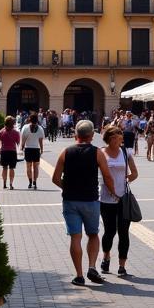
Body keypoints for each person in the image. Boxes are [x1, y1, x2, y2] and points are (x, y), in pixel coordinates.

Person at [51, 120, 116, 286]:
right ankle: (92, 266)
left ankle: (79, 276)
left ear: (75, 135)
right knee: (93, 234)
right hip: (91, 200)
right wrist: (113, 192)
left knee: (75, 237)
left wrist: (67, 188)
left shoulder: (65, 152)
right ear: (92, 136)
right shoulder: (97, 153)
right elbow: (107, 176)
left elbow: (55, 178)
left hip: (70, 201)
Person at [98, 126, 138, 277]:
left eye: (121, 137)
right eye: (118, 137)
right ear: (111, 138)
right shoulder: (101, 153)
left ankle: (122, 265)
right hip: (106, 199)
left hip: (123, 198)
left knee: (123, 232)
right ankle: (106, 256)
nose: (121, 140)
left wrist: (124, 180)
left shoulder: (125, 152)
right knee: (109, 231)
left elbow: (134, 173)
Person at [20, 112, 46, 189]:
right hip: (36, 149)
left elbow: (23, 139)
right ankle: (35, 182)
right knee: (36, 167)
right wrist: (42, 149)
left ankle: (30, 182)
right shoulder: (40, 128)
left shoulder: (25, 127)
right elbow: (41, 141)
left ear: (29, 119)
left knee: (28, 167)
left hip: (28, 149)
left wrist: (22, 146)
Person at [0, 116, 21, 190]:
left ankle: (4, 184)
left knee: (4, 168)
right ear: (13, 124)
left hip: (3, 152)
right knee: (12, 168)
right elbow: (18, 143)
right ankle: (11, 184)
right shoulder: (16, 133)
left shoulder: (1, 132)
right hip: (12, 152)